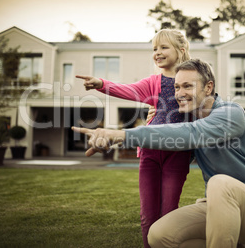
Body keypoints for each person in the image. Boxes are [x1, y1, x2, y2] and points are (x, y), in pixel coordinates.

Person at [72, 58, 245, 248]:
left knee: (220, 182)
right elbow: (166, 141)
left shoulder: (231, 113)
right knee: (159, 235)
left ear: (209, 87)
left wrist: (120, 134)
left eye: (188, 86)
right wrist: (110, 141)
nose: (179, 93)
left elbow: (190, 133)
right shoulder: (192, 121)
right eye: (177, 87)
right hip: (217, 209)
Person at [76, 29, 194, 248]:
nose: (157, 53)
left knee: (169, 214)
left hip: (177, 154)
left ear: (181, 50)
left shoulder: (191, 79)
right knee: (148, 216)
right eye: (154, 49)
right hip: (150, 153)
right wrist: (101, 83)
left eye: (163, 47)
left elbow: (212, 106)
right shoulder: (153, 82)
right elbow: (127, 89)